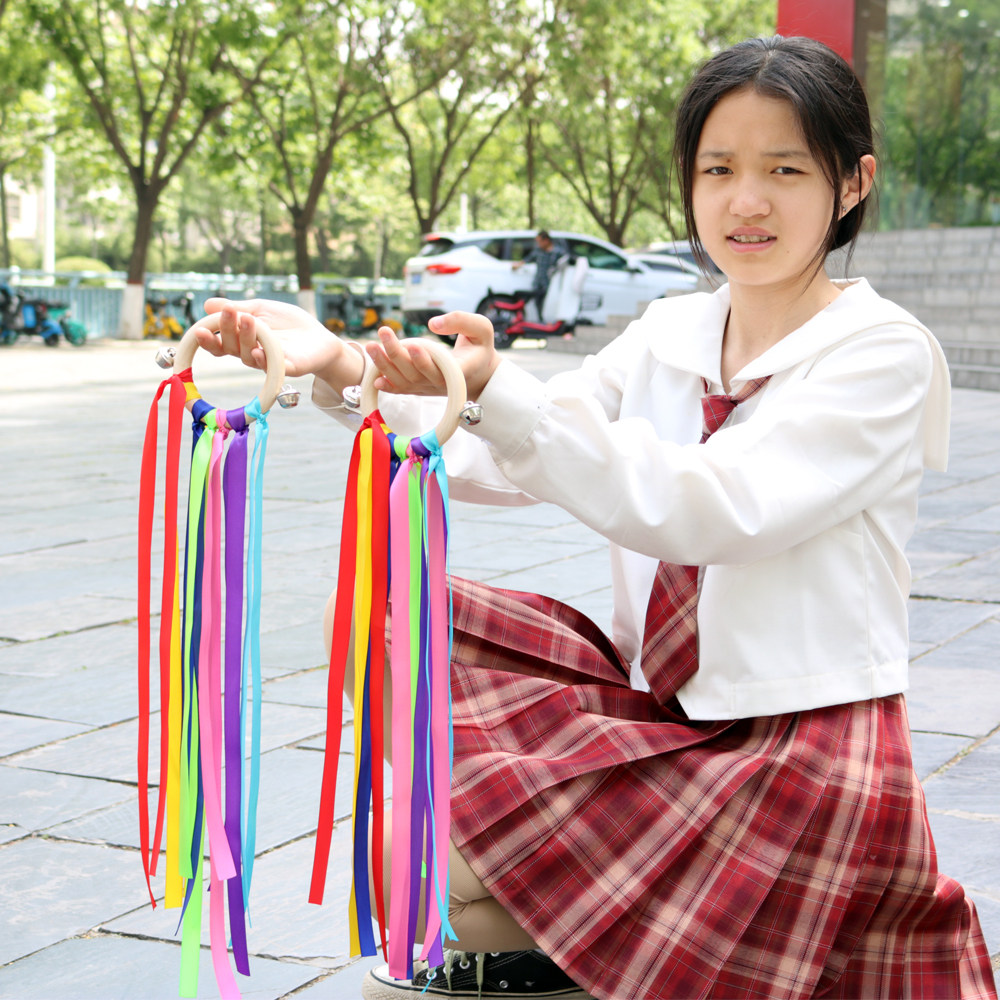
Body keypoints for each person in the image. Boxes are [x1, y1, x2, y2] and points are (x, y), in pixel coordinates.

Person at [193, 35, 998, 1000]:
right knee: (416, 683)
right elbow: (496, 454)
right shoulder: (671, 333)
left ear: (853, 183)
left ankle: (628, 962)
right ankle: (618, 957)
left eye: (785, 170)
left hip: (804, 742)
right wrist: (343, 365)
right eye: (719, 169)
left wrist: (503, 390)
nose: (747, 202)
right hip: (663, 709)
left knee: (475, 897)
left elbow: (713, 505)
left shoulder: (882, 356)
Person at [511, 229, 563, 320]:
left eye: (539, 241)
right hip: (538, 282)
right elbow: (528, 259)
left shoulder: (558, 252)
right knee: (537, 302)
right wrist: (518, 265)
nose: (538, 244)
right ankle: (541, 320)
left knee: (549, 302)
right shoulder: (538, 251)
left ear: (546, 240)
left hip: (551, 283)